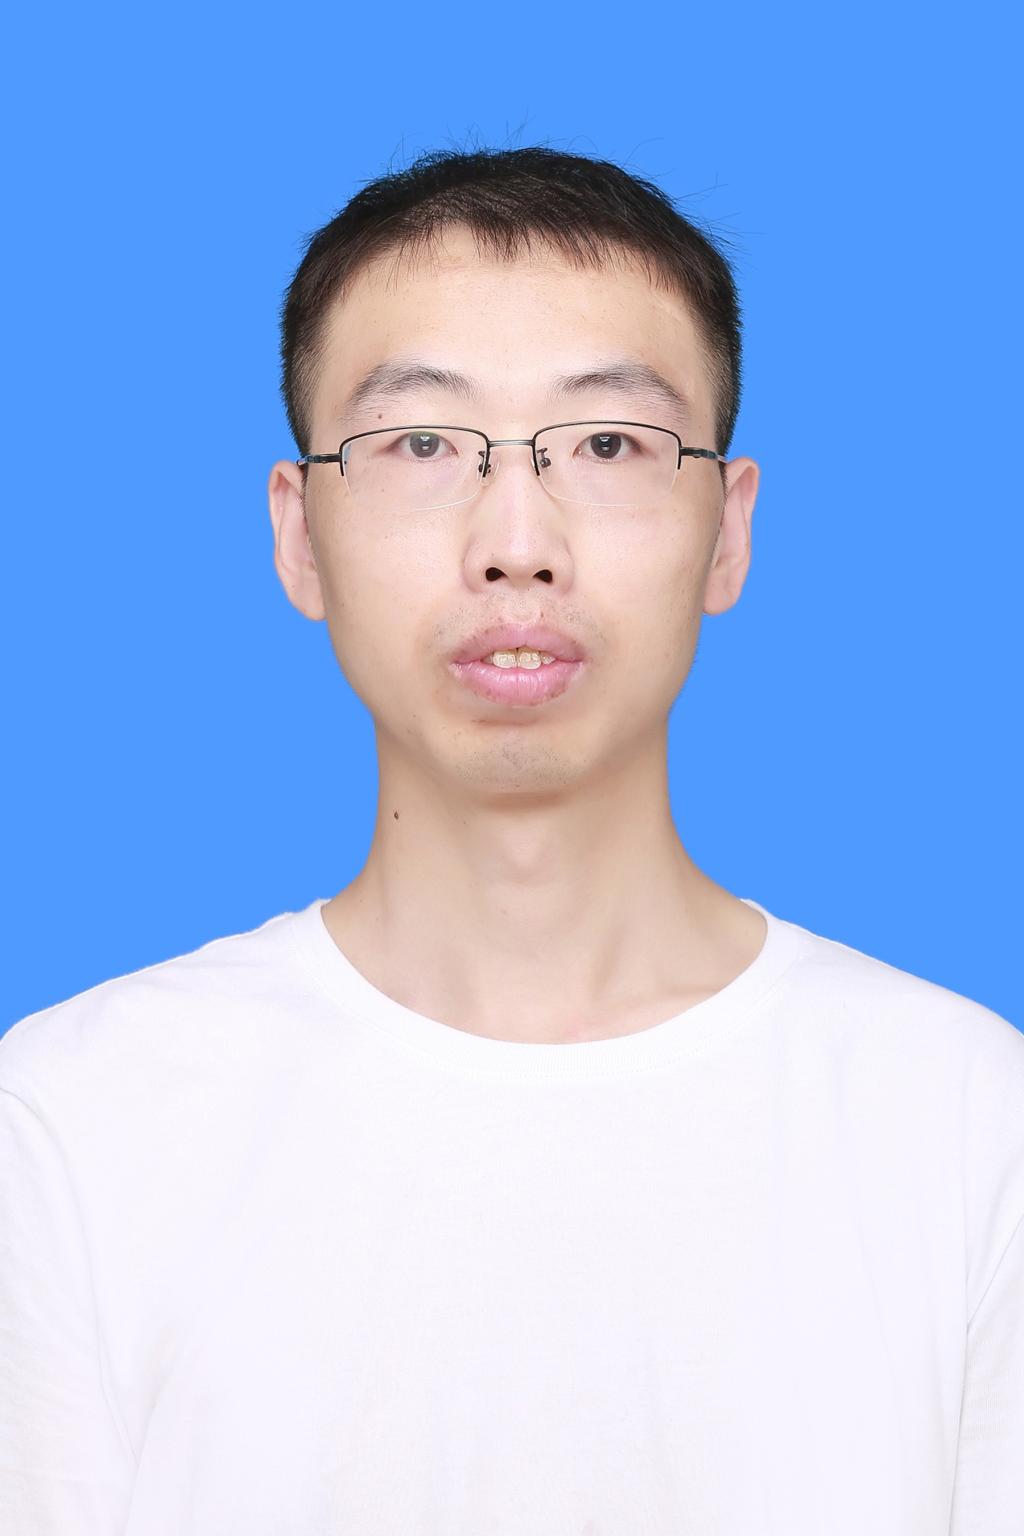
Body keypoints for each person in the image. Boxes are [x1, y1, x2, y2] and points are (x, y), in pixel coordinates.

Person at [1, 144, 1021, 1536]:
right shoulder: (75, 1125)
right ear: (299, 536)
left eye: (608, 445)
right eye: (423, 445)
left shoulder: (965, 1124)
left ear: (729, 531)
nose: (517, 542)